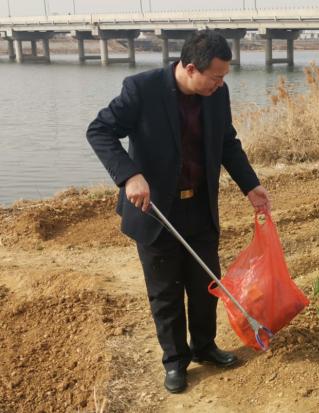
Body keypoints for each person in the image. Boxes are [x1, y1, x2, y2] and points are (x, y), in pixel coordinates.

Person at [87, 30, 271, 394]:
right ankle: (175, 362)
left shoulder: (217, 95)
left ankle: (205, 346)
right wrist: (129, 175)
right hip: (155, 211)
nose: (220, 84)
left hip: (199, 207)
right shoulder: (142, 90)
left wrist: (251, 185)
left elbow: (227, 143)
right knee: (165, 292)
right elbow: (100, 131)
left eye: (224, 78)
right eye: (215, 77)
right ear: (190, 68)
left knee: (206, 285)